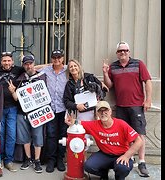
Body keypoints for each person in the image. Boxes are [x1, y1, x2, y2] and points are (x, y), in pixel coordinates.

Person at [102, 41, 152, 177]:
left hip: (136, 105)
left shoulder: (138, 64)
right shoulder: (113, 66)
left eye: (125, 50)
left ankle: (142, 162)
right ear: (117, 53)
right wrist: (105, 73)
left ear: (129, 52)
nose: (123, 52)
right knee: (123, 136)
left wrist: (148, 99)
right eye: (120, 51)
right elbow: (109, 85)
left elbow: (147, 81)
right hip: (121, 106)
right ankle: (128, 158)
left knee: (139, 134)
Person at [65, 101, 143, 180]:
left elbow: (139, 141)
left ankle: (119, 177)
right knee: (88, 166)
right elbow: (79, 123)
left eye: (105, 110)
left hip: (122, 154)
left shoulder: (121, 124)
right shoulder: (94, 125)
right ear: (97, 114)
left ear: (110, 111)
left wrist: (127, 156)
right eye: (100, 111)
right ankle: (104, 173)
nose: (103, 113)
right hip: (105, 154)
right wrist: (71, 121)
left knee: (122, 168)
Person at [9, 55, 46, 173]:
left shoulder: (41, 77)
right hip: (22, 112)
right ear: (23, 65)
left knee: (37, 136)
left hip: (37, 113)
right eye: (26, 64)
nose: (28, 66)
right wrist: (12, 92)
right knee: (25, 137)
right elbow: (16, 99)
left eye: (30, 63)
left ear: (34, 63)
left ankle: (37, 160)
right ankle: (28, 159)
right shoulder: (20, 79)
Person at [37, 50, 68, 172]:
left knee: (62, 134)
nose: (56, 60)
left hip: (64, 108)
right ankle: (51, 160)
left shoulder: (67, 69)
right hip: (50, 108)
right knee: (51, 135)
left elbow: (80, 73)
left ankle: (60, 159)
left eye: (59, 57)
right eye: (54, 58)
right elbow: (34, 68)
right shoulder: (47, 70)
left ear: (63, 58)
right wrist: (48, 65)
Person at [0, 51, 25, 172]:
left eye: (9, 61)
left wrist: (51, 65)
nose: (7, 63)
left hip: (13, 108)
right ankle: (0, 159)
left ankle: (9, 160)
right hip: (0, 107)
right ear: (1, 62)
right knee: (0, 135)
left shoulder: (18, 70)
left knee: (11, 135)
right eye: (4, 61)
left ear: (12, 62)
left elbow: (32, 67)